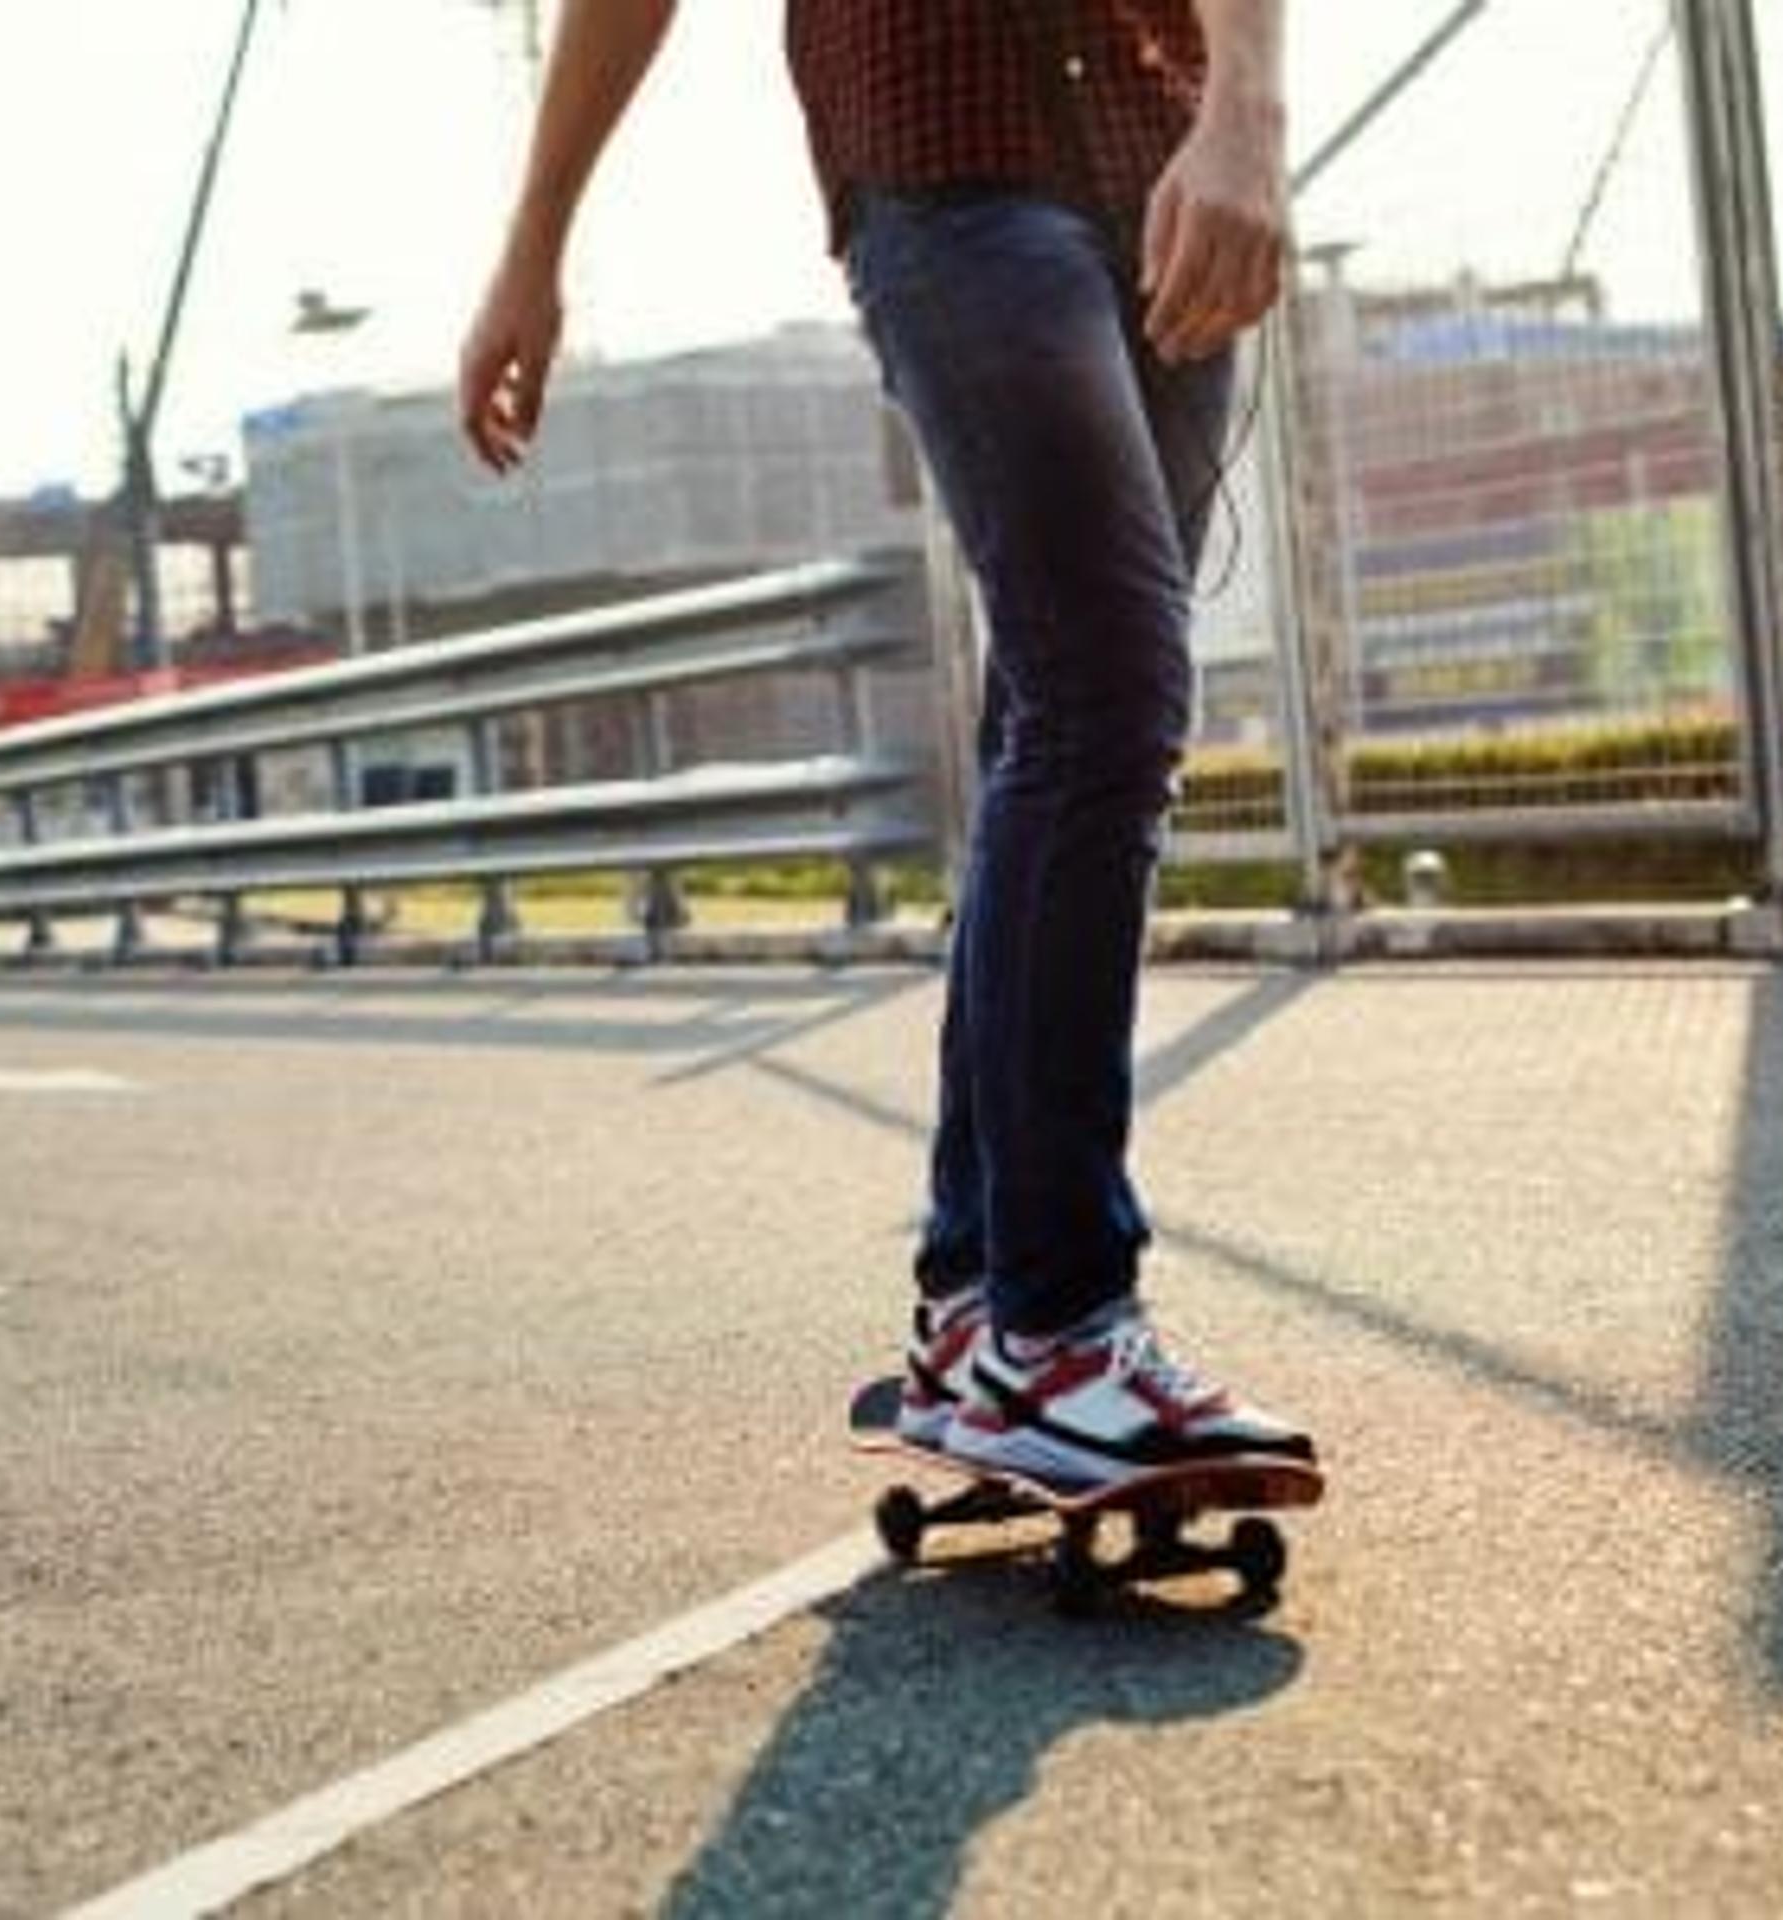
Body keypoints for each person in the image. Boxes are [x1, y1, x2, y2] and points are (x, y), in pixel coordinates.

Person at [458, 0, 1316, 1490]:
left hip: (1160, 145)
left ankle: (979, 1301)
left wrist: (1246, 114)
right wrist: (535, 243)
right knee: (1105, 696)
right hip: (948, 166)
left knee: (1060, 712)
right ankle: (1060, 1336)